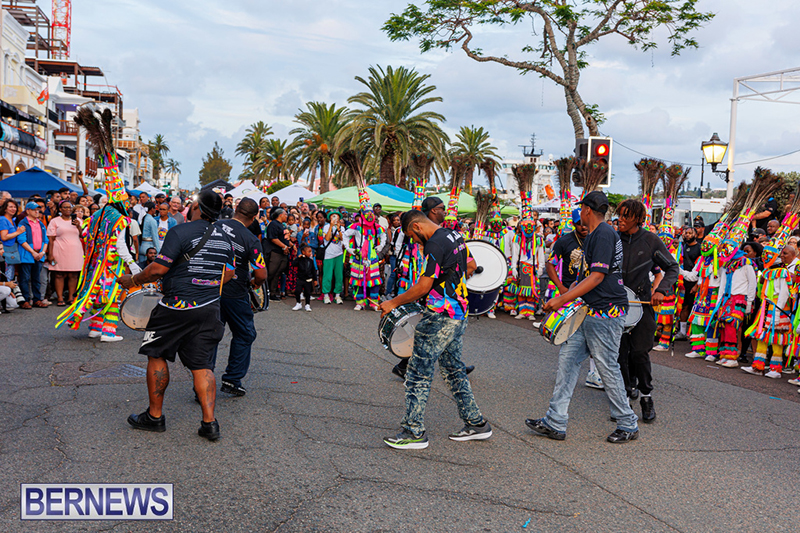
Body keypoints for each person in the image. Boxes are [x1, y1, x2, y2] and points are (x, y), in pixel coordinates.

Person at [120, 190, 234, 441]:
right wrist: (206, 286)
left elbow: (158, 268)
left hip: (176, 307)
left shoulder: (179, 232)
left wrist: (133, 280)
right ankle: (209, 423)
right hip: (209, 307)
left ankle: (154, 416)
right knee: (202, 365)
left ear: (198, 208)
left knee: (156, 353)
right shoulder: (226, 237)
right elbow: (229, 273)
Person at [526, 191, 639, 443]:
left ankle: (628, 422)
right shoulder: (595, 235)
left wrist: (561, 299)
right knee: (567, 361)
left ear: (587, 209)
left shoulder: (603, 235)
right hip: (590, 309)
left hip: (606, 312)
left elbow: (598, 276)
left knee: (607, 367)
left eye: (582, 209)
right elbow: (586, 276)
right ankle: (555, 421)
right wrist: (569, 302)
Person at [380, 209, 491, 449]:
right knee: (453, 371)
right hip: (459, 313)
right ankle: (476, 423)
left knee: (418, 372)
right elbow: (471, 265)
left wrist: (393, 302)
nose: (414, 241)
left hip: (440, 317)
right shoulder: (455, 235)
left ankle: (413, 432)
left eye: (411, 235)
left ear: (417, 227)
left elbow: (423, 285)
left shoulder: (434, 244)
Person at [615, 199, 679, 422]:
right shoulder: (613, 239)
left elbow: (672, 267)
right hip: (615, 305)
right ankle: (623, 400)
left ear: (638, 219)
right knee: (620, 354)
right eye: (619, 215)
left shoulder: (651, 240)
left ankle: (645, 396)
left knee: (640, 352)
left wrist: (660, 290)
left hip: (641, 305)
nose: (620, 220)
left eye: (625, 216)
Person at [212, 198, 267, 396]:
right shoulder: (250, 238)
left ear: (235, 209)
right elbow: (261, 274)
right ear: (253, 218)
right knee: (245, 334)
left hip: (210, 290)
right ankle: (232, 380)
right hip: (236, 294)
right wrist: (255, 284)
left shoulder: (215, 226)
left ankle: (202, 384)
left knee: (210, 336)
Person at [344, 209, 386, 311]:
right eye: (367, 215)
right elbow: (345, 235)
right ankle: (360, 302)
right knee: (358, 279)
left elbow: (384, 236)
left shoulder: (377, 228)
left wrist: (380, 246)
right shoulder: (357, 227)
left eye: (371, 215)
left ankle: (374, 303)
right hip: (359, 256)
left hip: (372, 257)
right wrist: (349, 248)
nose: (370, 217)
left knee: (374, 280)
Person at [46, 201, 83, 306]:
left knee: (73, 274)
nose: (67, 209)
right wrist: (50, 254)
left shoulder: (78, 220)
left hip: (75, 250)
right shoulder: (55, 221)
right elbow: (51, 238)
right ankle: (60, 297)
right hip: (59, 249)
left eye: (69, 207)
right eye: (65, 207)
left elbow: (83, 235)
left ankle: (71, 296)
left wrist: (78, 226)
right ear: (60, 209)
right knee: (59, 274)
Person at [17, 202, 49, 309]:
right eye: (34, 210)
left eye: (38, 210)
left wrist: (42, 252)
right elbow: (22, 240)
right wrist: (33, 252)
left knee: (36, 278)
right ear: (28, 211)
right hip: (27, 254)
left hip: (39, 254)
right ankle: (25, 300)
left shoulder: (41, 223)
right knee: (25, 278)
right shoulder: (23, 223)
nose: (37, 212)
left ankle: (37, 299)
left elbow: (45, 240)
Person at [675, 226, 702, 341]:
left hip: (694, 281)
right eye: (686, 233)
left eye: (690, 233)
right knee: (683, 306)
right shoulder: (682, 246)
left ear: (695, 235)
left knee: (692, 307)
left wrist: (696, 285)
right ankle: (682, 331)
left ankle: (694, 333)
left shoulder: (700, 248)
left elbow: (701, 268)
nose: (687, 235)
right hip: (682, 281)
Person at [263, 208, 291, 301]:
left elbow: (283, 237)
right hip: (275, 252)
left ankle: (273, 292)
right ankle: (264, 291)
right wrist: (284, 246)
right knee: (271, 272)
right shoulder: (273, 224)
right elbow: (273, 238)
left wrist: (291, 245)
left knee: (277, 273)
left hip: (283, 253)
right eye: (285, 214)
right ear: (280, 215)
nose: (286, 216)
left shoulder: (282, 225)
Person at [321, 212, 345, 305]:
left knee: (339, 276)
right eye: (333, 216)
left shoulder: (342, 228)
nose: (335, 218)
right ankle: (326, 295)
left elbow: (343, 239)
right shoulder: (326, 227)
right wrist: (331, 226)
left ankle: (337, 295)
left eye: (336, 217)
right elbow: (327, 238)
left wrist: (339, 229)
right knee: (327, 275)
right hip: (328, 254)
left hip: (339, 254)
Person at [0, 199, 25, 282]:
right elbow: (4, 237)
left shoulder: (12, 221)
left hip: (12, 251)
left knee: (10, 275)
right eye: (10, 207)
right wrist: (18, 232)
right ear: (5, 209)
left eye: (15, 207)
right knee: (6, 276)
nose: (13, 209)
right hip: (5, 251)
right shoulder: (3, 220)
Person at [292, 244, 316, 311]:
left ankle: (307, 305)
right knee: (297, 291)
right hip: (300, 278)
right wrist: (298, 258)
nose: (310, 253)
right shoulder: (300, 259)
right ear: (303, 252)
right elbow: (293, 264)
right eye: (309, 252)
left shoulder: (310, 261)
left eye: (311, 252)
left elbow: (313, 270)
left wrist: (315, 280)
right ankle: (298, 303)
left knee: (307, 293)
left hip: (308, 279)